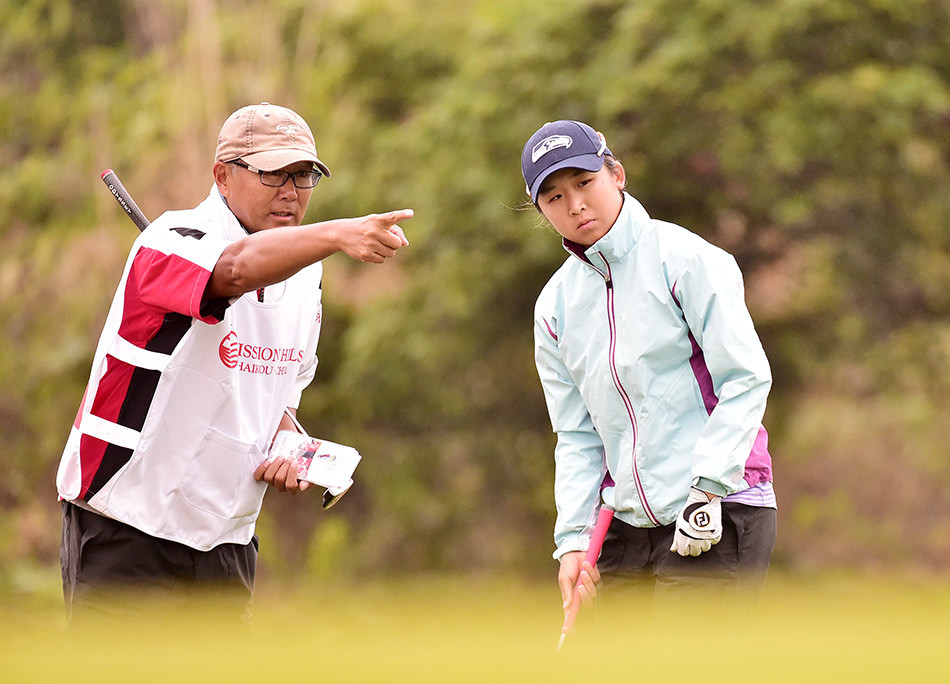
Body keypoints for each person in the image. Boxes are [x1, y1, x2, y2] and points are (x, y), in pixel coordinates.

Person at [57, 102, 411, 621]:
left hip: (226, 541)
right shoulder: (169, 241)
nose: (291, 192)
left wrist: (290, 447)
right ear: (222, 175)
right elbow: (237, 270)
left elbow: (278, 398)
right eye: (272, 174)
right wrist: (338, 234)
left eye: (304, 175)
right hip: (126, 526)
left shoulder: (306, 275)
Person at [521, 120, 776, 616]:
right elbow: (576, 434)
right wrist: (572, 541)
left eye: (583, 182)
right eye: (553, 197)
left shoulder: (687, 260)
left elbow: (744, 379)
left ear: (616, 174)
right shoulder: (554, 307)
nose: (574, 205)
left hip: (719, 502)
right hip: (626, 525)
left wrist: (707, 487)